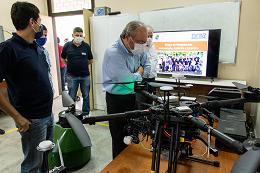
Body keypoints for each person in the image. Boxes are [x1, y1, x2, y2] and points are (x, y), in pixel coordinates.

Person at [0, 2, 54, 173]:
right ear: (32, 22)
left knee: (45, 159)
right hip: (31, 120)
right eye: (39, 19)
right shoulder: (9, 49)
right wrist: (17, 117)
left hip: (48, 114)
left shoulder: (36, 48)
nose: (40, 24)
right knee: (33, 165)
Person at [102, 21, 151, 159]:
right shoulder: (114, 53)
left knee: (134, 135)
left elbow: (148, 66)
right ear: (127, 37)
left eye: (144, 42)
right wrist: (139, 71)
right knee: (120, 140)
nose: (142, 46)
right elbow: (129, 82)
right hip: (117, 101)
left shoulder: (136, 49)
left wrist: (138, 74)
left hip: (132, 98)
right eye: (139, 41)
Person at [61, 27, 93, 117]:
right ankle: (71, 113)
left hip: (85, 75)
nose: (79, 37)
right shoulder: (67, 45)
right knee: (71, 96)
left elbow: (91, 60)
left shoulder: (86, 46)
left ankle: (86, 113)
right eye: (77, 35)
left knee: (86, 96)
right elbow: (62, 58)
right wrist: (69, 65)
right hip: (72, 76)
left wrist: (83, 65)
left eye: (81, 36)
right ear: (72, 35)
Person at [136, 25, 157, 110]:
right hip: (143, 80)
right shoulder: (139, 47)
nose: (149, 38)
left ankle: (149, 121)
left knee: (150, 104)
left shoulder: (153, 46)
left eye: (151, 36)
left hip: (152, 79)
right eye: (148, 35)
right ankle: (141, 121)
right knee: (141, 104)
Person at [36, 24, 54, 93]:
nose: (44, 37)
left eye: (45, 35)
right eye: (42, 35)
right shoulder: (32, 51)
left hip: (47, 88)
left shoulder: (44, 50)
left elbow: (48, 71)